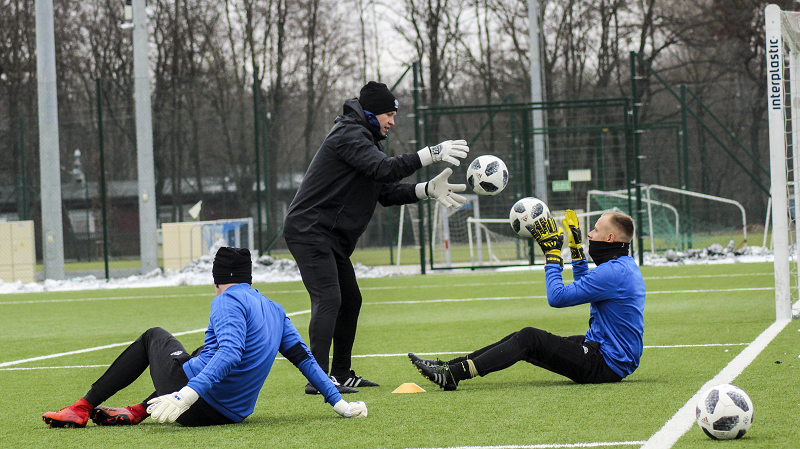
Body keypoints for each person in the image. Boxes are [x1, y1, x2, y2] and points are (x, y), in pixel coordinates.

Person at [42, 247, 367, 428]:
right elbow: (304, 359)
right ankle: (140, 410)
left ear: (218, 278)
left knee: (153, 337)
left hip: (197, 407)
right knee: (199, 352)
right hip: (232, 415)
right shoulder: (274, 309)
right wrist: (339, 402)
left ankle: (81, 408)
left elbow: (229, 353)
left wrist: (186, 396)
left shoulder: (227, 300)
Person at [283, 81, 470, 395]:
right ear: (369, 112)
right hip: (310, 229)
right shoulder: (348, 134)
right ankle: (317, 378)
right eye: (388, 114)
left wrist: (426, 190)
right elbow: (384, 170)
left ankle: (341, 373)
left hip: (329, 235)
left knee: (350, 300)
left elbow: (384, 192)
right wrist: (432, 154)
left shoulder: (366, 140)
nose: (393, 121)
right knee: (329, 298)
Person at [409, 210, 645, 390]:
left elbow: (558, 298)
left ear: (611, 237)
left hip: (605, 363)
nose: (590, 234)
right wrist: (576, 250)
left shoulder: (614, 272)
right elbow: (586, 289)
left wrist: (552, 256)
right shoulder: (622, 267)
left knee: (530, 337)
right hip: (604, 351)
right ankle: (449, 368)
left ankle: (453, 374)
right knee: (521, 340)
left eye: (595, 230)